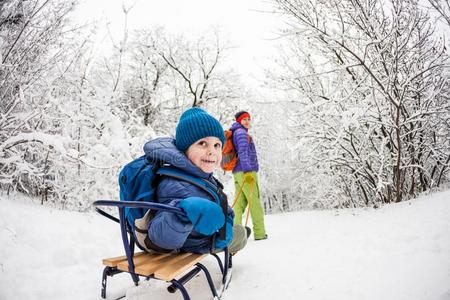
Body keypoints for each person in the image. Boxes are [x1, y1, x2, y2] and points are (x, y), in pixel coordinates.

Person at [143, 107, 249, 254]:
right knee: (241, 234)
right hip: (194, 244)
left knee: (238, 230)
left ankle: (238, 234)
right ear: (184, 149)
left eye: (217, 145)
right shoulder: (173, 182)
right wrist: (182, 213)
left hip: (209, 236)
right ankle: (240, 236)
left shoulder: (202, 178)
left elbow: (222, 206)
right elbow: (159, 237)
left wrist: (227, 224)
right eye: (202, 143)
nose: (211, 151)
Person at [230, 111, 267, 240]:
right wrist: (247, 171)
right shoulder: (241, 133)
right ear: (239, 121)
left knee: (239, 204)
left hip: (237, 172)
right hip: (246, 171)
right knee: (254, 202)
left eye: (248, 119)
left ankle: (235, 235)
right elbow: (243, 151)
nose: (247, 121)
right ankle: (260, 233)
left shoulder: (236, 132)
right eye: (244, 119)